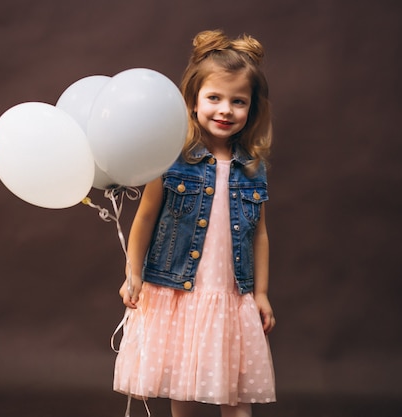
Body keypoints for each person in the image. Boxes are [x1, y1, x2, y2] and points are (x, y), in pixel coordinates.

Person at [114, 29, 276, 417]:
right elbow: (145, 218)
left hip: (231, 292)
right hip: (178, 288)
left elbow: (261, 235)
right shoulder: (172, 159)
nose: (225, 110)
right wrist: (133, 273)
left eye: (238, 102)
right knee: (181, 383)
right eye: (214, 98)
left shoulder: (253, 168)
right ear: (193, 101)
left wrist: (262, 293)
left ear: (251, 109)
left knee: (236, 392)